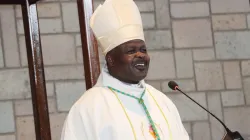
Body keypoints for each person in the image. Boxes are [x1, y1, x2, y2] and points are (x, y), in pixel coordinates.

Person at [60, 0, 189, 139]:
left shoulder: (162, 102)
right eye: (131, 51)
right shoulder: (89, 108)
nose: (140, 55)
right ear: (111, 59)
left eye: (143, 50)